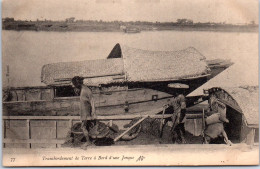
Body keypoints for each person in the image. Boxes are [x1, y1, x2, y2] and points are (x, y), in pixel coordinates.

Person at [71, 76, 96, 148]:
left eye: (73, 83)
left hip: (86, 113)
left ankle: (88, 142)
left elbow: (92, 101)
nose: (72, 85)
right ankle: (89, 142)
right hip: (84, 112)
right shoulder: (82, 89)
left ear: (76, 83)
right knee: (86, 127)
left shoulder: (86, 90)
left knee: (83, 127)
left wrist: (93, 113)